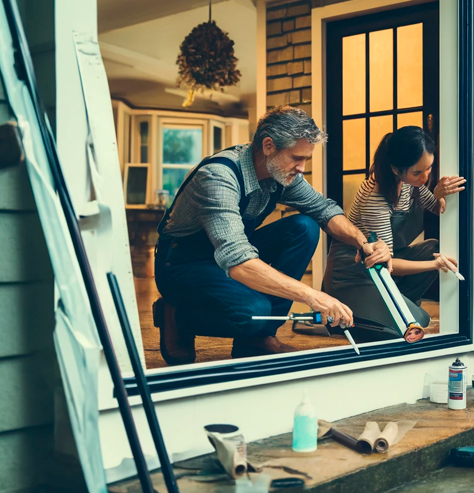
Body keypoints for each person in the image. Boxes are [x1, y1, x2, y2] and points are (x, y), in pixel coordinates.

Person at [152, 106, 391, 365]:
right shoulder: (218, 178)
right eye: (296, 158)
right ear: (268, 146)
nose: (301, 168)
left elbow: (324, 210)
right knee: (254, 312)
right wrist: (313, 296)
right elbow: (238, 262)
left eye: (305, 160)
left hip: (227, 255)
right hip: (182, 264)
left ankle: (258, 337)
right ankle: (176, 315)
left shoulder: (281, 173)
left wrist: (364, 243)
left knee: (304, 227)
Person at [323, 126, 466, 341]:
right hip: (355, 275)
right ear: (395, 169)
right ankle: (344, 320)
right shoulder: (375, 197)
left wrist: (440, 193)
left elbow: (435, 207)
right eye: (418, 172)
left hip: (384, 269)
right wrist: (435, 265)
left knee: (434, 248)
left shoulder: (410, 183)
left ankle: (394, 303)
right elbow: (387, 264)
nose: (425, 177)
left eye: (429, 168)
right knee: (419, 321)